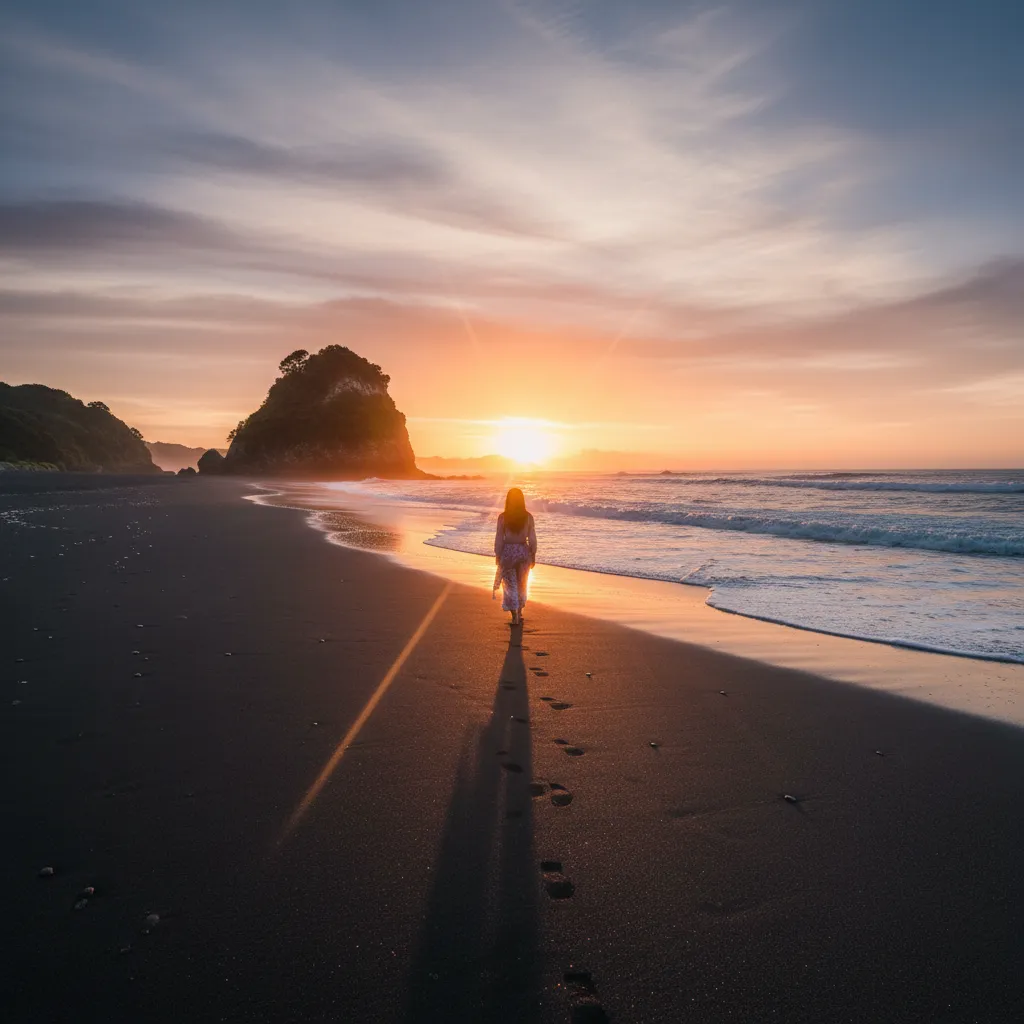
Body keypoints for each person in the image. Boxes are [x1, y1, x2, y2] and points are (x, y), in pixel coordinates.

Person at [493, 487, 537, 625]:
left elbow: (499, 538)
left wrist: (498, 554)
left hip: (508, 553)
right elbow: (532, 538)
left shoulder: (503, 517)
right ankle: (520, 612)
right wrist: (533, 554)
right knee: (522, 584)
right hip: (523, 552)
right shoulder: (528, 517)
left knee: (510, 585)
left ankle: (514, 616)